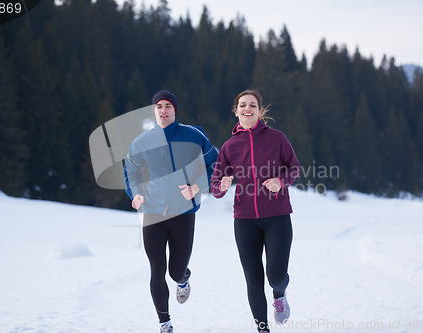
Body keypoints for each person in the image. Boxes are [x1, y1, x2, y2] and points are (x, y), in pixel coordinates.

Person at [123, 90, 218, 333]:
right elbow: (131, 171)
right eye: (158, 106)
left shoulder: (193, 136)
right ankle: (164, 322)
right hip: (153, 209)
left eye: (167, 106)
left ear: (175, 110)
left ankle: (184, 278)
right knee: (157, 267)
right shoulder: (142, 141)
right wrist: (135, 194)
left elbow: (216, 166)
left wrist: (197, 186)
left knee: (175, 271)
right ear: (154, 111)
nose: (163, 110)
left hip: (183, 211)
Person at [210, 90, 300, 333]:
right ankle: (263, 329)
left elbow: (294, 167)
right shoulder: (229, 147)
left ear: (260, 111)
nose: (247, 108)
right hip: (245, 220)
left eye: (252, 105)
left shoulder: (277, 138)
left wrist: (280, 181)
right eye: (242, 105)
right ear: (236, 110)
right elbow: (215, 187)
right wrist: (222, 185)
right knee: (253, 278)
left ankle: (279, 295)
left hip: (277, 216)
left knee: (275, 276)